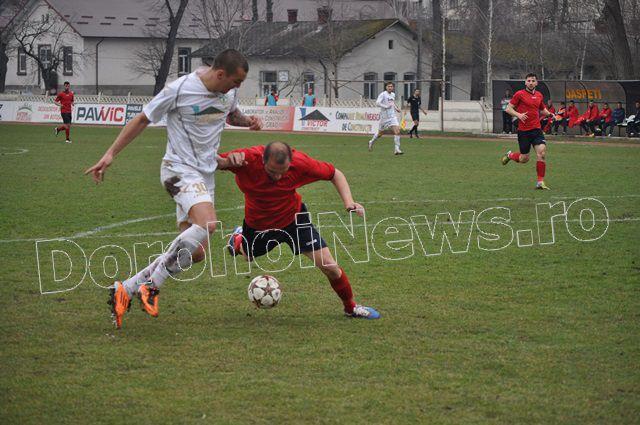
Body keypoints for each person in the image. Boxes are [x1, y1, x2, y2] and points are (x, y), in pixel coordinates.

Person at [84, 49, 263, 329]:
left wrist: (248, 121)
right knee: (208, 224)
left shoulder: (228, 92)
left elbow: (231, 114)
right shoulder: (180, 89)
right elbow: (142, 119)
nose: (237, 87)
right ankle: (151, 286)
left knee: (196, 253)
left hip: (205, 176)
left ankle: (126, 289)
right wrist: (110, 154)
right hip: (178, 170)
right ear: (220, 74)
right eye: (236, 81)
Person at [220, 141, 380, 319]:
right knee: (247, 255)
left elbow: (335, 174)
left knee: (329, 266)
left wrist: (349, 202)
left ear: (290, 162)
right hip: (258, 224)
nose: (278, 177)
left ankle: (351, 308)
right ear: (263, 161)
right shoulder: (247, 159)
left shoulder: (301, 163)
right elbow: (209, 161)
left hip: (293, 219)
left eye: (283, 172)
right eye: (272, 172)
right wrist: (226, 162)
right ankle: (238, 238)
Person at [500, 73, 552, 190]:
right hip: (524, 131)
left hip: (537, 130)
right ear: (525, 82)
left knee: (542, 154)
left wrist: (550, 114)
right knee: (524, 159)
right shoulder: (519, 94)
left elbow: (542, 109)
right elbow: (508, 108)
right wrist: (519, 115)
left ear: (536, 83)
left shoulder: (539, 95)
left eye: (533, 81)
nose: (531, 83)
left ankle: (540, 182)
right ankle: (510, 155)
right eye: (529, 81)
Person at [368, 82, 403, 155]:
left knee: (397, 131)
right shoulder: (383, 94)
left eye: (391, 86)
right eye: (389, 86)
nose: (390, 88)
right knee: (380, 134)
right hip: (384, 118)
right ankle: (371, 141)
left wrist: (396, 108)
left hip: (392, 117)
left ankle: (397, 149)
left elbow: (392, 103)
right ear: (386, 87)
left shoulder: (393, 94)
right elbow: (377, 103)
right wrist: (385, 106)